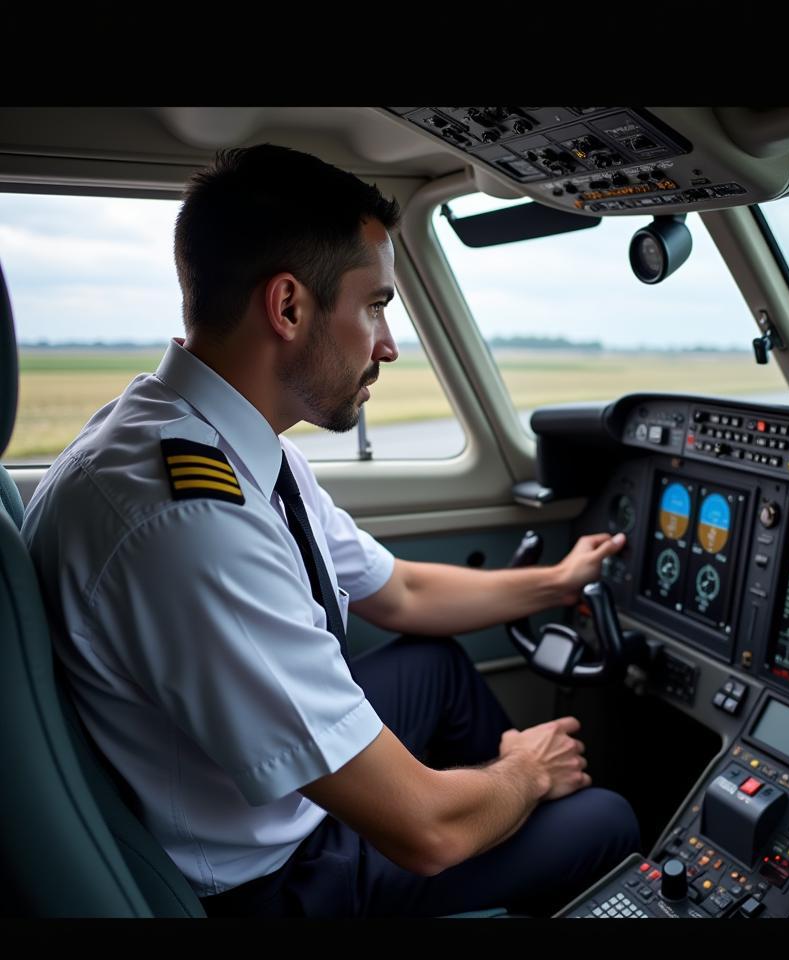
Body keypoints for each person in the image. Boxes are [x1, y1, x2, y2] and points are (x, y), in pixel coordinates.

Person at [21, 143, 639, 917]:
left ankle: (498, 860)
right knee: (604, 820)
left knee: (436, 667)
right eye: (375, 306)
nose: (388, 344)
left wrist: (555, 581)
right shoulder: (190, 525)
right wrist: (525, 773)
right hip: (266, 880)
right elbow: (425, 833)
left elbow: (402, 592)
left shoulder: (206, 434)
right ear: (288, 307)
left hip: (231, 797)